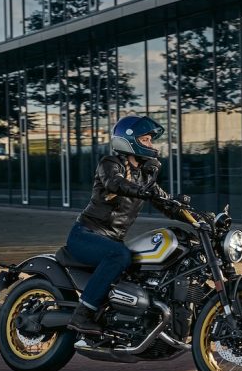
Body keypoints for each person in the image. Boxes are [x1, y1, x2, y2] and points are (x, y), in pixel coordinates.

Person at [66, 115, 189, 334]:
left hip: (112, 239)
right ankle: (82, 314)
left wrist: (201, 219)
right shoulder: (110, 164)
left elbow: (168, 205)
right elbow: (115, 183)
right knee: (120, 255)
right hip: (86, 235)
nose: (151, 145)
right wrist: (143, 190)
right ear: (129, 141)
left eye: (151, 140)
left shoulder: (144, 177)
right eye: (146, 140)